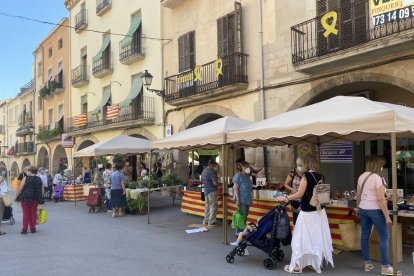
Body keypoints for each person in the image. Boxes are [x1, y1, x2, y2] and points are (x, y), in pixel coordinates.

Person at [276, 155, 333, 274]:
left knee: (300, 239)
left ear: (306, 164)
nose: (299, 167)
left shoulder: (306, 176)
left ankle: (297, 265)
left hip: (307, 213)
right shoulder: (321, 176)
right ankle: (313, 262)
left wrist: (285, 197)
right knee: (314, 238)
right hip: (319, 212)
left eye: (301, 164)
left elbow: (299, 194)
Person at [356, 155, 401, 276]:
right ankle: (386, 267)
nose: (383, 167)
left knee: (365, 235)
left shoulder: (361, 176)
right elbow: (381, 199)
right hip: (376, 211)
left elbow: (358, 196)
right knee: (384, 237)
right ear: (378, 165)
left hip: (363, 209)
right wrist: (387, 215)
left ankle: (367, 263)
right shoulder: (378, 178)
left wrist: (358, 208)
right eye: (382, 165)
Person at [15, 166, 43, 234]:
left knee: (25, 214)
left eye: (28, 170)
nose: (27, 171)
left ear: (30, 171)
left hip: (25, 198)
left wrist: (16, 196)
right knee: (33, 213)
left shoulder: (26, 178)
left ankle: (24, 229)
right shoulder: (39, 179)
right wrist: (40, 198)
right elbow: (42, 189)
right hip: (35, 198)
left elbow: (20, 187)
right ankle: (32, 228)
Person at [283, 157, 304, 224]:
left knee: (304, 220)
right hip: (295, 199)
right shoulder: (293, 172)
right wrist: (292, 189)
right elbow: (285, 184)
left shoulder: (306, 172)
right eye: (298, 164)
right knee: (296, 220)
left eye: (301, 164)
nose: (299, 166)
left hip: (304, 199)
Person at [201, 160, 221, 226]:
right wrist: (222, 184)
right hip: (212, 191)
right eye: (215, 165)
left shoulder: (204, 170)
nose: (216, 166)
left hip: (206, 190)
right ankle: (211, 222)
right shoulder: (212, 171)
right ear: (212, 164)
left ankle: (205, 221)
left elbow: (202, 180)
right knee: (213, 206)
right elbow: (215, 182)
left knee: (207, 206)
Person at [233, 161, 253, 226]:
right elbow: (236, 189)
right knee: (241, 215)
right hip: (241, 199)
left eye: (248, 167)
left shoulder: (247, 176)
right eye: (246, 167)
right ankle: (239, 231)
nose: (248, 168)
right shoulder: (238, 176)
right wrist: (238, 200)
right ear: (242, 168)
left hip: (247, 198)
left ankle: (243, 229)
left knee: (245, 215)